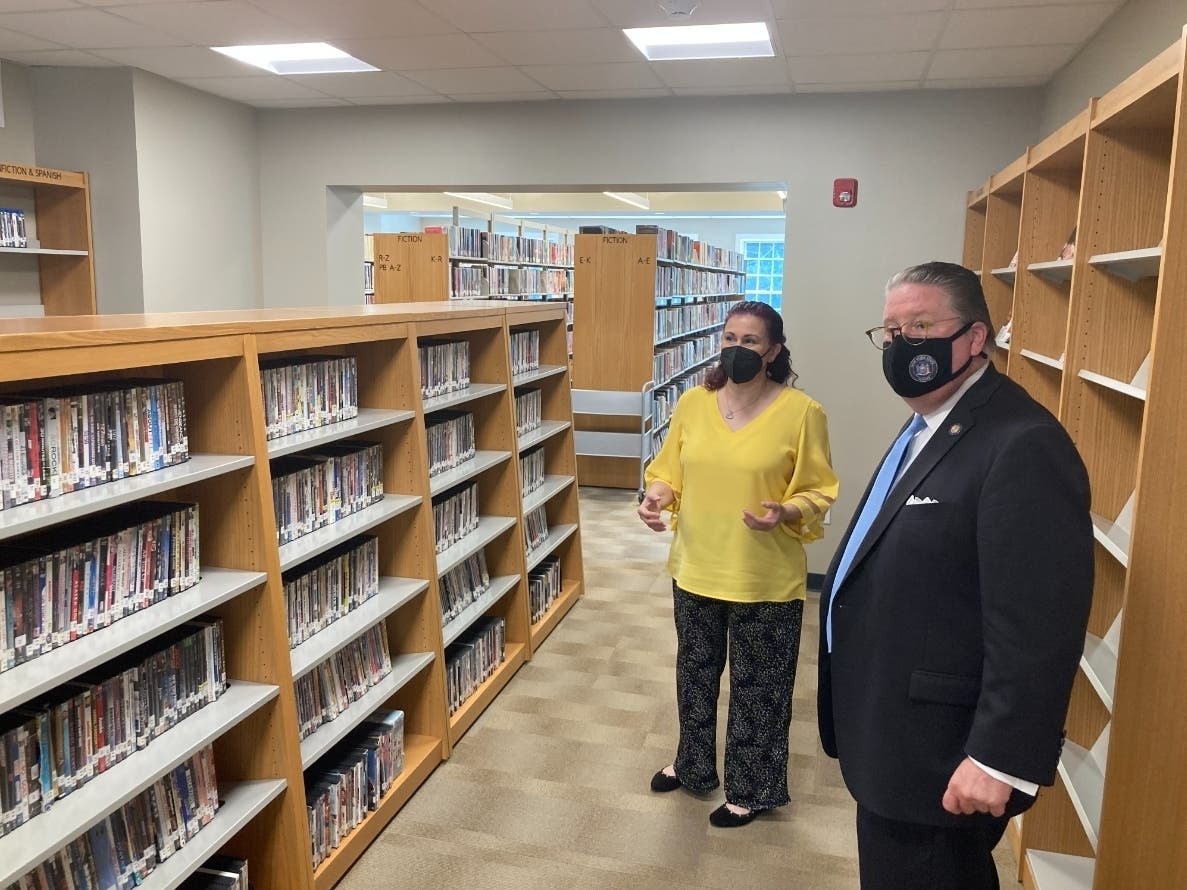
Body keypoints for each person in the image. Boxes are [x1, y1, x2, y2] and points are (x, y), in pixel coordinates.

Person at [819, 261, 1093, 889]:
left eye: (920, 326)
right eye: (889, 331)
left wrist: (1000, 756)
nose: (901, 346)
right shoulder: (930, 420)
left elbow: (1038, 623)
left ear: (976, 338)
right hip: (895, 732)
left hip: (941, 753)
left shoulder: (1021, 443)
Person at [638, 300, 839, 828]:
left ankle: (752, 787)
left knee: (760, 686)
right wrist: (656, 498)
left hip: (765, 577)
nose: (737, 349)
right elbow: (669, 470)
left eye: (750, 341)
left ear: (773, 350)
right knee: (694, 675)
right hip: (698, 565)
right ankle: (693, 765)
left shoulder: (802, 412)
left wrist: (788, 509)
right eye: (729, 338)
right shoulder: (693, 404)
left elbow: (820, 488)